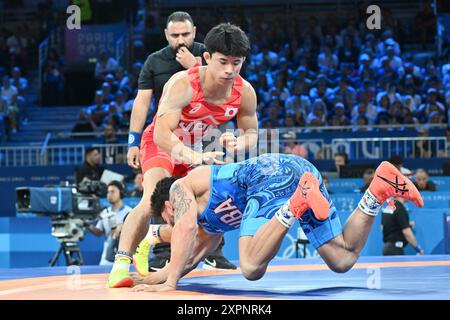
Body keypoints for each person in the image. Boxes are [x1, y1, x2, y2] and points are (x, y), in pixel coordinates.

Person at [129, 153, 423, 292]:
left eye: (168, 217)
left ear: (169, 206)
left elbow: (185, 228)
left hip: (267, 176)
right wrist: (148, 280)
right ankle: (376, 190)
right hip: (300, 170)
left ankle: (295, 204)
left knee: (251, 267)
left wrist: (168, 284)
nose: (173, 221)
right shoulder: (210, 229)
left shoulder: (181, 187)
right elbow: (187, 260)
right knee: (342, 258)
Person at [108, 22, 258, 288]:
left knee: (200, 219)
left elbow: (252, 133)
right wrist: (192, 156)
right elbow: (162, 134)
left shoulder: (244, 92)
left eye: (237, 63)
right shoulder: (183, 84)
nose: (229, 70)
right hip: (164, 145)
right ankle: (120, 265)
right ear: (207, 58)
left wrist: (239, 143)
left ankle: (153, 239)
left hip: (199, 151)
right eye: (223, 61)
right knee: (151, 201)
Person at [126, 11, 236, 274]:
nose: (180, 40)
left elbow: (228, 87)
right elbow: (142, 102)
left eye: (185, 34)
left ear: (195, 32)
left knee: (215, 193)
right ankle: (161, 252)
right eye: (174, 35)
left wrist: (194, 65)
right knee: (161, 196)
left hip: (207, 133)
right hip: (168, 135)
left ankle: (215, 253)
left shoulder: (209, 55)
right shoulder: (155, 62)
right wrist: (132, 141)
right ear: (166, 35)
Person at [86, 181, 132, 265]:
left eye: (113, 191)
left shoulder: (129, 212)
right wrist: (88, 226)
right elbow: (99, 232)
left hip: (123, 252)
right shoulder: (105, 211)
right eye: (108, 192)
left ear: (121, 193)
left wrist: (119, 229)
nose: (109, 195)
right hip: (107, 254)